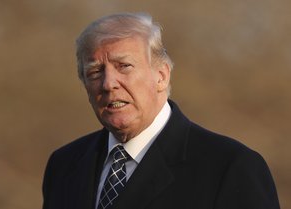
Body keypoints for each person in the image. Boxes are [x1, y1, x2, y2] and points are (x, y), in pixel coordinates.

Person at [42, 12, 280, 209]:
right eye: (95, 72)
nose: (108, 83)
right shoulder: (64, 166)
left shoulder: (231, 167)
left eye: (124, 66)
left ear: (161, 76)